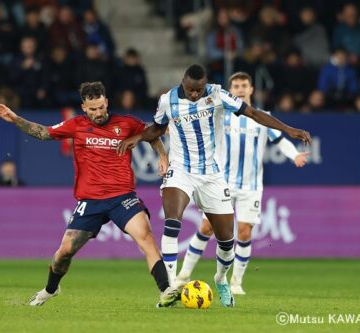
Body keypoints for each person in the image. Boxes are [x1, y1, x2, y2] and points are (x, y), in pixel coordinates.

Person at [117, 64, 311, 307]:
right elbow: (156, 128)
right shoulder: (168, 100)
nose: (195, 94)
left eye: (199, 90)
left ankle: (221, 279)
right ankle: (168, 288)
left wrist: (288, 129)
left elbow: (253, 113)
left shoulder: (218, 94)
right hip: (181, 170)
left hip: (212, 175)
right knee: (172, 222)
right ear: (183, 83)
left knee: (227, 242)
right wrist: (137, 137)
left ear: (205, 85)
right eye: (191, 90)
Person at [0, 82, 179, 307]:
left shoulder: (127, 123)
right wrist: (15, 119)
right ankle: (51, 289)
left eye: (101, 107)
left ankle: (166, 291)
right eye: (93, 109)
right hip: (90, 201)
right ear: (84, 107)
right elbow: (43, 133)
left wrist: (162, 156)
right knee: (64, 252)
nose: (98, 113)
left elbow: (152, 135)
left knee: (146, 236)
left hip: (123, 197)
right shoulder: (76, 125)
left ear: (106, 102)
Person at [176, 72, 309, 295]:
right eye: (235, 85)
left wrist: (294, 155)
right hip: (221, 183)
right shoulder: (220, 114)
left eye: (243, 85)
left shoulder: (263, 117)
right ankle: (183, 274)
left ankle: (236, 282)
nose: (239, 89)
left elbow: (280, 140)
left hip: (250, 186)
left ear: (251, 89)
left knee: (245, 232)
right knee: (207, 227)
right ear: (230, 90)